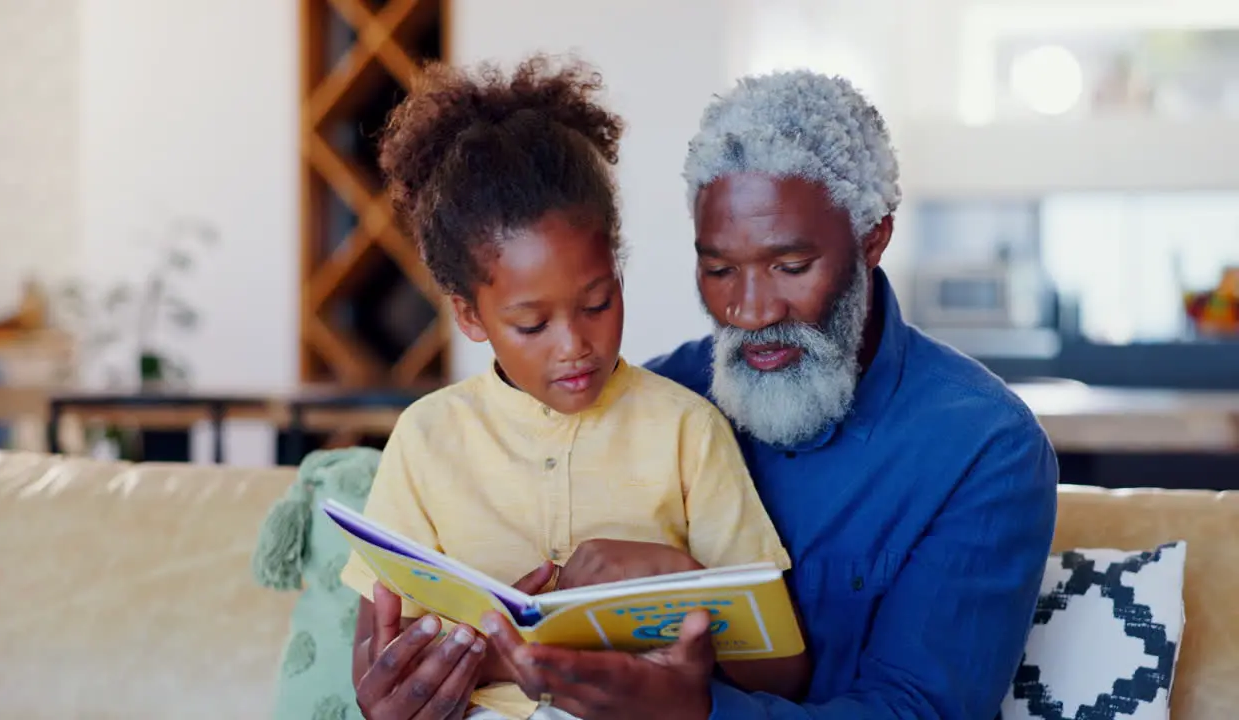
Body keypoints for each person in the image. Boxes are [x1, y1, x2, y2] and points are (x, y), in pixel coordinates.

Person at [471, 70, 1061, 719]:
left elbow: (917, 711)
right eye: (719, 270)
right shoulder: (653, 399)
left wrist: (697, 712)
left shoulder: (983, 446)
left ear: (873, 238)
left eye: (790, 267)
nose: (748, 311)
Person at [341, 55, 808, 720]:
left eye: (597, 303)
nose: (575, 345)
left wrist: (673, 576)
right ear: (469, 314)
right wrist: (396, 691)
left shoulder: (685, 431)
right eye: (531, 323)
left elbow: (780, 675)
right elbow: (375, 659)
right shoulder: (428, 438)